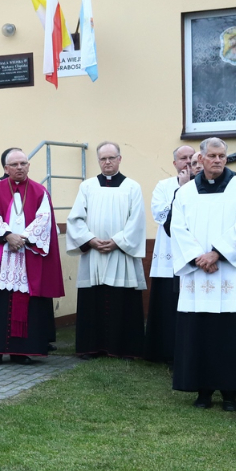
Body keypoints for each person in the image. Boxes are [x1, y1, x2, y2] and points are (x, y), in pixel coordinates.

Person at [170, 137, 236, 410]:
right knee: (199, 334)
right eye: (213, 156)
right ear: (201, 158)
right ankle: (203, 391)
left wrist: (216, 254)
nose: (218, 160)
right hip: (198, 276)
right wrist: (199, 258)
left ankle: (230, 394)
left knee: (229, 336)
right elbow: (178, 229)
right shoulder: (185, 194)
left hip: (228, 276)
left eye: (222, 156)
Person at [0, 147, 64, 366]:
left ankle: (21, 350)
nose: (19, 168)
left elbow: (44, 218)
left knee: (26, 302)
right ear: (6, 168)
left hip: (27, 253)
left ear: (29, 165)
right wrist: (7, 235)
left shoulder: (39, 191)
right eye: (14, 164)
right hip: (2, 253)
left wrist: (22, 237)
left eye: (23, 163)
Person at [65, 141, 148, 359]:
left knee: (123, 300)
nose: (107, 162)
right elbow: (75, 218)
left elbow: (137, 220)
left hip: (121, 253)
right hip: (93, 253)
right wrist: (90, 240)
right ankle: (91, 347)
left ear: (120, 159)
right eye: (103, 158)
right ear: (98, 161)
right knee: (93, 300)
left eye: (112, 158)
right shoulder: (87, 187)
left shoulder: (132, 187)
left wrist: (117, 242)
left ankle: (124, 348)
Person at [144, 144, 196, 364]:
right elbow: (162, 215)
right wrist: (181, 188)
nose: (187, 162)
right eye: (182, 159)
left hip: (196, 255)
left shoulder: (206, 186)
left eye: (191, 158)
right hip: (169, 254)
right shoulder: (164, 186)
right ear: (175, 164)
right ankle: (165, 351)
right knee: (168, 305)